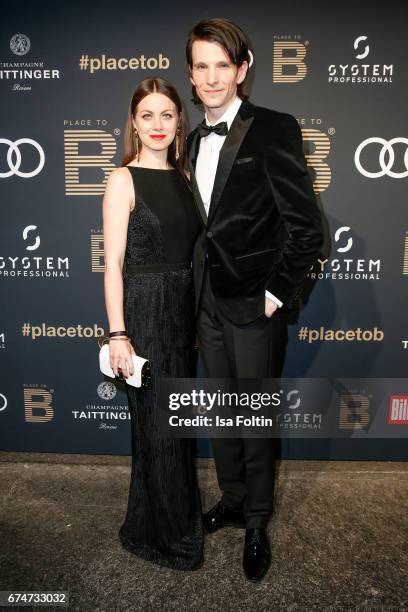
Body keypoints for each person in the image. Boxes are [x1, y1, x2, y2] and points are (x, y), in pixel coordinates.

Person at [185, 18, 324, 581]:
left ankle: (259, 521)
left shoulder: (273, 128)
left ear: (242, 70)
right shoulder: (191, 140)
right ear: (191, 76)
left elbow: (307, 229)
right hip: (209, 305)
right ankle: (234, 498)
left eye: (223, 65)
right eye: (201, 66)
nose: (212, 77)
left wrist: (275, 294)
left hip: (254, 305)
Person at [102, 77, 203, 570]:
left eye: (167, 115)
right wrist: (118, 334)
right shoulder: (123, 179)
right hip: (144, 308)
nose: (158, 125)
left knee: (175, 425)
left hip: (183, 310)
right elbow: (113, 264)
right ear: (134, 123)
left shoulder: (185, 180)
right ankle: (167, 536)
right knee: (157, 427)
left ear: (178, 122)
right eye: (148, 116)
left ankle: (160, 520)